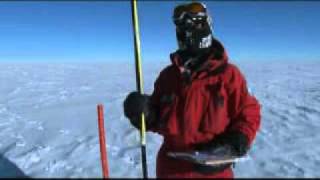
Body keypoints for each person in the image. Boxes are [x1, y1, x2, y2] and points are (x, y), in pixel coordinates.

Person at [123, 1, 261, 178]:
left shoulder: (229, 76)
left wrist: (236, 142)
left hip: (215, 174)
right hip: (170, 172)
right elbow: (156, 119)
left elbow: (249, 113)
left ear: (207, 27)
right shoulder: (168, 77)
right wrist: (142, 112)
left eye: (194, 25)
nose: (186, 33)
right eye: (181, 28)